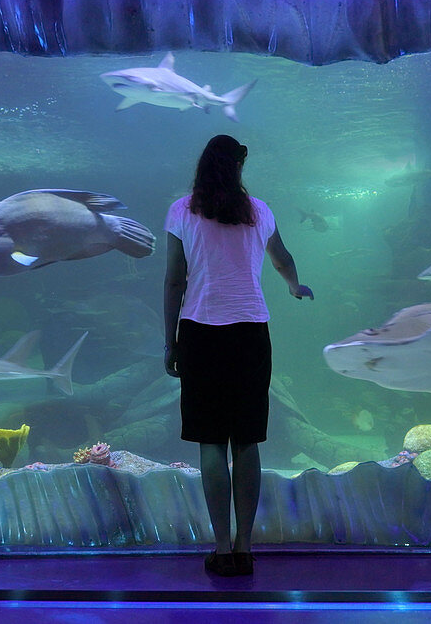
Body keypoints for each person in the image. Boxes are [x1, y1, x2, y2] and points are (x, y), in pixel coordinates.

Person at [163, 134, 313, 577]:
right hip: (250, 334)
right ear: (238, 168)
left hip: (200, 332)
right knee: (246, 442)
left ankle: (222, 547)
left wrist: (169, 342)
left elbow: (175, 281)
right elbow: (282, 258)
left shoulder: (182, 209)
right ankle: (246, 549)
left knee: (212, 442)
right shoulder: (259, 211)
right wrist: (293, 285)